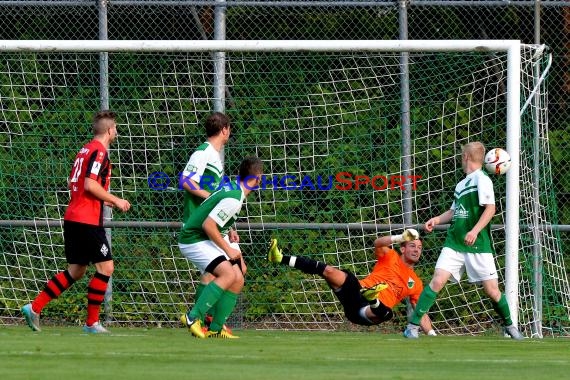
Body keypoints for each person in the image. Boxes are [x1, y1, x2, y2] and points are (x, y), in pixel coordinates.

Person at [21, 110, 131, 333]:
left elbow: (84, 186)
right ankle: (92, 323)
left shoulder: (85, 150)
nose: (116, 131)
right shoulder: (100, 152)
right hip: (86, 220)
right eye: (116, 128)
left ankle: (34, 307)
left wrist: (104, 200)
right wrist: (115, 199)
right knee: (106, 267)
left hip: (73, 216)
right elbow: (90, 185)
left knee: (76, 270)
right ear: (110, 130)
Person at [403, 142, 524, 340]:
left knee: (492, 291)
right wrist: (437, 219)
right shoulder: (462, 184)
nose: (461, 159)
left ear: (466, 157)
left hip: (478, 244)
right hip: (455, 243)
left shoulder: (483, 180)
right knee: (437, 280)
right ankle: (412, 326)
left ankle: (510, 326)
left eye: (461, 156)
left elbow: (490, 208)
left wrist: (475, 231)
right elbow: (454, 211)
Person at [267, 229, 435, 334]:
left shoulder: (417, 283)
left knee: (386, 314)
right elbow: (377, 243)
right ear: (403, 248)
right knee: (329, 271)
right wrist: (399, 237)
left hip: (369, 313)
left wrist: (432, 334)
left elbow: (421, 312)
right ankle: (280, 257)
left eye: (419, 248)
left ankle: (373, 300)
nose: (417, 250)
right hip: (357, 292)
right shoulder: (391, 256)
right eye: (413, 246)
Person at [179, 156, 263, 339]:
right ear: (257, 179)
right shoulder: (235, 198)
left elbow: (215, 212)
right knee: (228, 274)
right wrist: (228, 249)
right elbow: (208, 225)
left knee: (238, 277)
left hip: (201, 237)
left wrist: (229, 229)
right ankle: (193, 317)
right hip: (193, 239)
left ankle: (216, 329)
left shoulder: (233, 188)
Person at [179, 112, 239, 332]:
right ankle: (203, 321)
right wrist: (210, 198)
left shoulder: (215, 156)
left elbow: (219, 199)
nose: (229, 134)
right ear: (224, 129)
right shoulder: (203, 153)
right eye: (229, 129)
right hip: (200, 224)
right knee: (227, 272)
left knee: (227, 272)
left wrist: (229, 226)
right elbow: (186, 181)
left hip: (214, 223)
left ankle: (209, 322)